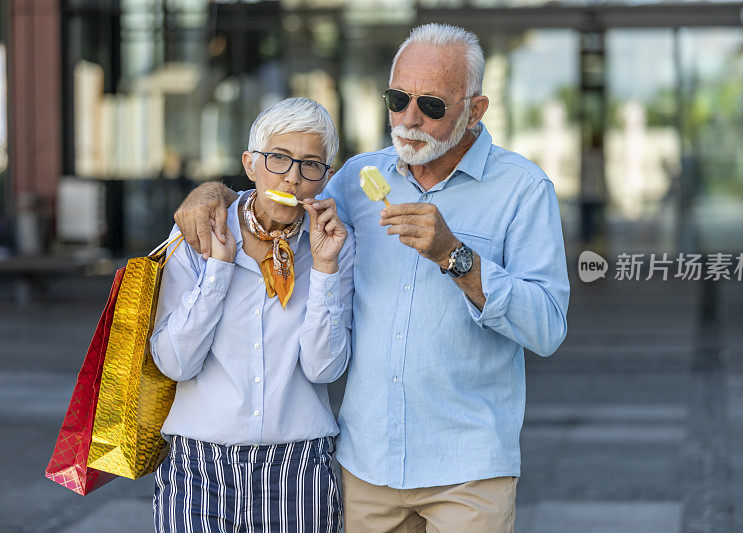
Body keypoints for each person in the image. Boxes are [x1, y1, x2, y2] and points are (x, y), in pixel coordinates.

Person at [174, 24, 569, 533]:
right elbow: (281, 201)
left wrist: (456, 256)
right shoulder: (358, 180)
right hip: (365, 465)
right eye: (398, 98)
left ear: (475, 110)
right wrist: (211, 193)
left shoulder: (523, 189)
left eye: (431, 106)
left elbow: (548, 328)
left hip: (468, 469)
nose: (408, 119)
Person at [150, 97, 353, 532]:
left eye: (310, 165)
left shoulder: (335, 244)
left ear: (326, 178)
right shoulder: (200, 228)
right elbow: (174, 363)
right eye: (278, 159)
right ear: (250, 164)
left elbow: (324, 370)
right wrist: (218, 270)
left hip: (299, 469)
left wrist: (324, 269)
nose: (293, 177)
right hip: (198, 468)